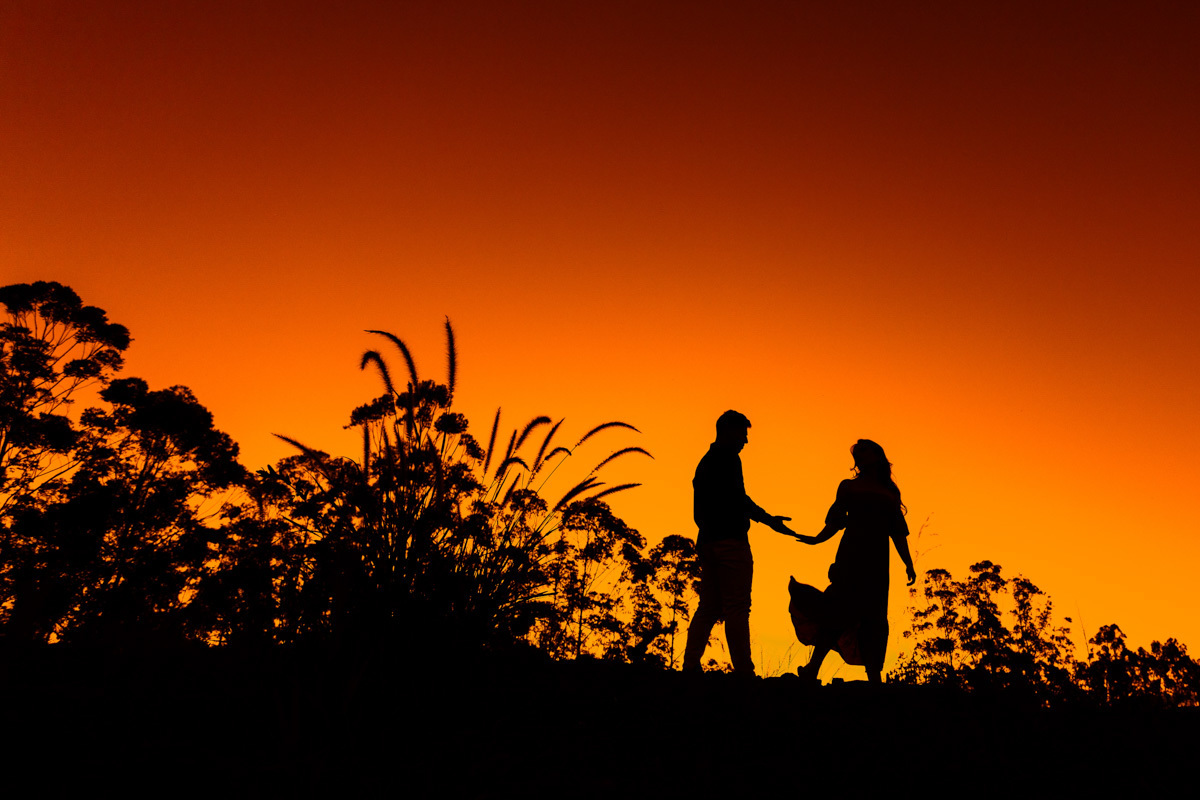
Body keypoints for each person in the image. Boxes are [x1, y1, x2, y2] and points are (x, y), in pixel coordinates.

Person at [682, 410, 796, 676]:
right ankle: (744, 670)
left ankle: (690, 664)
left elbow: (708, 509)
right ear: (729, 431)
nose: (745, 441)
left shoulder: (706, 462)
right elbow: (738, 499)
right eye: (742, 434)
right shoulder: (729, 460)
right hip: (730, 542)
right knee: (736, 606)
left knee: (709, 606)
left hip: (708, 541)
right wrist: (767, 519)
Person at [794, 439, 916, 683]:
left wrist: (908, 563)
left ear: (877, 456)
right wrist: (817, 539)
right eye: (857, 453)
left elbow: (897, 531)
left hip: (877, 562)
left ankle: (874, 676)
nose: (860, 456)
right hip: (850, 557)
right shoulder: (848, 487)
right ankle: (812, 669)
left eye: (864, 451)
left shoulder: (890, 492)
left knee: (874, 616)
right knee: (837, 610)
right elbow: (836, 521)